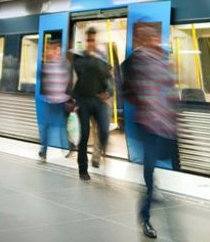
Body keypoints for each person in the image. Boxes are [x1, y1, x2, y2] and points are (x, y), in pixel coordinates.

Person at [122, 24, 178, 239]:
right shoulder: (134, 61)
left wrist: (173, 111)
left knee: (159, 159)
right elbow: (127, 86)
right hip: (148, 122)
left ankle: (151, 183)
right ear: (141, 39)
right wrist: (142, 103)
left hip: (164, 122)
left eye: (155, 36)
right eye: (149, 36)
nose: (154, 39)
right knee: (150, 164)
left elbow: (170, 86)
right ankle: (145, 217)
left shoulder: (161, 60)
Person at [71, 27, 113, 181]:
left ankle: (98, 156)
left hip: (99, 99)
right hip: (83, 99)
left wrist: (108, 93)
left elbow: (109, 76)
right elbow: (80, 70)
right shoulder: (79, 56)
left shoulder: (102, 56)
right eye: (89, 40)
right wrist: (91, 57)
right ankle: (83, 169)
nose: (91, 43)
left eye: (93, 40)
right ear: (86, 40)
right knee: (84, 134)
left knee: (104, 131)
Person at [38, 39, 71, 160]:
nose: (50, 51)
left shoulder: (65, 64)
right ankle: (43, 150)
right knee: (47, 126)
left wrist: (70, 99)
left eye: (52, 48)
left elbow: (70, 82)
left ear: (58, 49)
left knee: (63, 127)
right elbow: (45, 83)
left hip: (62, 102)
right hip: (51, 102)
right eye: (49, 49)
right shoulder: (47, 66)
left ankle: (66, 149)